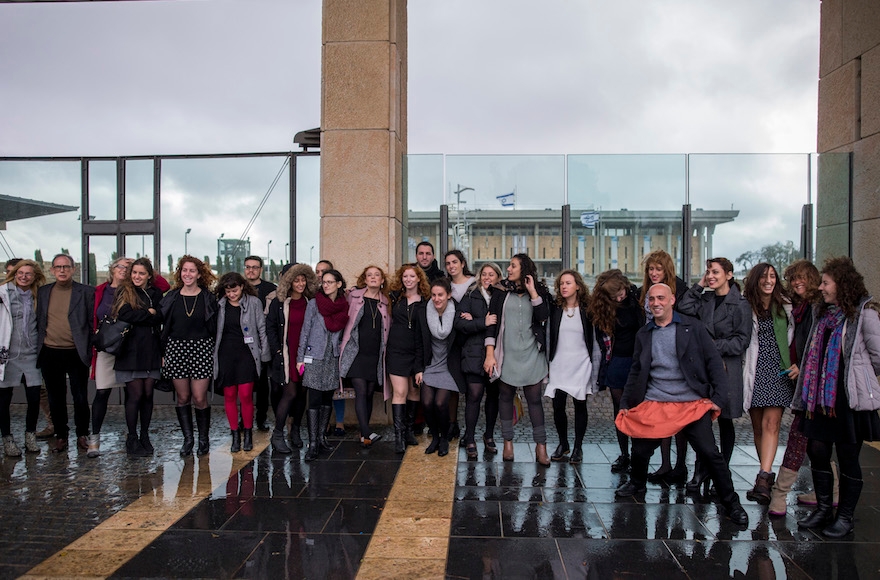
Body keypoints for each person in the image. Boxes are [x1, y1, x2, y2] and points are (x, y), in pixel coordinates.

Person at [613, 283, 749, 526]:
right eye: (652, 299)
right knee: (641, 449)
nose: (656, 303)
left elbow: (714, 362)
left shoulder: (692, 327)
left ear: (672, 300)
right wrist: (626, 402)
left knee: (710, 453)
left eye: (661, 298)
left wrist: (717, 400)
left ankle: (731, 502)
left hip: (691, 403)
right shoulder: (644, 333)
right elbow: (636, 371)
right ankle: (637, 482)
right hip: (657, 401)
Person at [793, 257, 880, 538]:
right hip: (819, 398)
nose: (821, 287)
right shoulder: (822, 313)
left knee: (847, 457)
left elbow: (878, 357)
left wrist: (859, 376)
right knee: (817, 450)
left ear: (841, 285)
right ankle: (823, 509)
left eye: (826, 282)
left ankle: (845, 517)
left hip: (847, 400)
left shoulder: (864, 314)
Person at [677, 257, 751, 492]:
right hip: (705, 368)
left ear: (729, 275)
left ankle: (722, 470)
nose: (711, 276)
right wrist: (700, 284)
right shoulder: (705, 299)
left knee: (725, 420)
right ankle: (701, 469)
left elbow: (742, 340)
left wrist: (711, 346)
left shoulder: (740, 304)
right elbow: (683, 306)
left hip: (727, 368)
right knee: (702, 418)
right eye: (708, 271)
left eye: (716, 272)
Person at [483, 253, 552, 464]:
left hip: (532, 355)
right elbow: (491, 325)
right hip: (507, 355)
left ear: (524, 269)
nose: (509, 269)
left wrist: (532, 291)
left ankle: (541, 447)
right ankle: (508, 444)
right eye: (509, 266)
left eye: (513, 266)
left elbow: (543, 316)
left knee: (534, 401)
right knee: (505, 398)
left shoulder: (539, 292)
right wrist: (490, 354)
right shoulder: (499, 291)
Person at [770, 259, 826, 515]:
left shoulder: (817, 309)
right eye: (793, 278)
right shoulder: (799, 308)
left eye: (802, 277)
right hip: (800, 382)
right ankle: (831, 491)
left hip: (815, 386)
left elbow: (821, 350)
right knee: (815, 439)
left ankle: (779, 496)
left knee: (799, 436)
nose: (796, 282)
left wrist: (802, 368)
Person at [741, 262, 795, 504]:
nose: (768, 280)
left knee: (771, 424)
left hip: (779, 370)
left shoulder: (786, 305)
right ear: (755, 280)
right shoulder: (746, 305)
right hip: (754, 369)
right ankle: (764, 478)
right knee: (758, 428)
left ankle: (764, 476)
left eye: (772, 276)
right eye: (763, 276)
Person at [638, 250, 689, 484]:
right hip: (654, 356)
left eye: (658, 268)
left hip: (676, 358)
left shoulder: (680, 289)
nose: (654, 272)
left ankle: (680, 466)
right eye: (651, 269)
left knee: (679, 415)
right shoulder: (645, 292)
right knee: (662, 414)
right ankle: (665, 463)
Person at [160, 255, 218, 457]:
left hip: (202, 349)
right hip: (176, 349)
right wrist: (162, 353)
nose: (188, 274)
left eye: (192, 270)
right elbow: (164, 327)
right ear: (180, 272)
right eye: (184, 270)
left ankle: (203, 439)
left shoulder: (209, 298)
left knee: (199, 397)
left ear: (199, 274)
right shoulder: (171, 297)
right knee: (183, 396)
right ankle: (188, 440)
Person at [37, 254, 95, 453]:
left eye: (66, 267)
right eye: (58, 267)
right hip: (50, 352)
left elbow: (90, 323)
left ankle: (82, 434)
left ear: (73, 269)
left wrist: (89, 350)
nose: (62, 270)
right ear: (52, 270)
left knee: (80, 397)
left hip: (76, 352)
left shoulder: (86, 292)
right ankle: (61, 436)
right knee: (55, 398)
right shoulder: (43, 292)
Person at [589, 269, 645, 472]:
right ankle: (624, 454)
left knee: (638, 408)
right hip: (617, 361)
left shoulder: (636, 300)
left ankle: (639, 454)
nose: (619, 296)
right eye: (615, 296)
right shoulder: (604, 306)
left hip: (637, 361)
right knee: (620, 409)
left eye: (621, 292)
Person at [213, 272, 270, 453]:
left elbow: (262, 328)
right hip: (225, 354)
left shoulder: (254, 303)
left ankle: (248, 431)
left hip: (247, 354)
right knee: (229, 395)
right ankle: (235, 434)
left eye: (234, 290)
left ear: (242, 287)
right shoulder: (220, 305)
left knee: (245, 395)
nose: (231, 294)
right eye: (228, 291)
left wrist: (264, 354)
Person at [112, 258, 164, 457]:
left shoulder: (156, 293)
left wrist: (147, 314)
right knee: (134, 395)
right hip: (129, 351)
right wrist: (147, 313)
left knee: (148, 395)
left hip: (151, 349)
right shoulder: (124, 291)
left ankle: (144, 435)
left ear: (149, 275)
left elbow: (160, 316)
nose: (137, 276)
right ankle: (132, 437)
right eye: (134, 272)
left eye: (142, 273)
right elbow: (125, 315)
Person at [545, 269, 596, 464]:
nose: (564, 287)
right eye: (561, 284)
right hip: (559, 362)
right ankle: (563, 443)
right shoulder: (556, 308)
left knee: (579, 404)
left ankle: (578, 447)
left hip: (581, 362)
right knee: (558, 404)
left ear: (578, 286)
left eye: (568, 283)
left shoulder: (587, 309)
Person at [297, 268, 348, 460]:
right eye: (323, 282)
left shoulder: (344, 305)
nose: (325, 285)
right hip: (314, 356)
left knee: (328, 398)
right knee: (315, 399)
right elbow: (305, 330)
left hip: (332, 357)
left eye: (329, 282)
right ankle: (313, 443)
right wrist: (300, 358)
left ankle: (321, 437)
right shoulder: (314, 304)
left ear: (338, 284)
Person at [266, 263, 317, 454]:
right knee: (290, 393)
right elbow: (270, 327)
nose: (300, 283)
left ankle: (295, 430)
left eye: (303, 279)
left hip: (306, 354)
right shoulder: (280, 303)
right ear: (289, 281)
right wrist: (277, 350)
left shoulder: (310, 301)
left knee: (302, 394)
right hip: (287, 355)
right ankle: (277, 434)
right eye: (296, 280)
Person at [340, 265, 390, 447]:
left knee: (369, 392)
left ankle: (364, 434)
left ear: (382, 280)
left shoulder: (385, 302)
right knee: (360, 390)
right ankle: (367, 432)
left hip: (374, 355)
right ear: (364, 279)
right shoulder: (353, 296)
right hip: (356, 353)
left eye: (377, 275)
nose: (373, 277)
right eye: (369, 275)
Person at [415, 278, 466, 457]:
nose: (436, 299)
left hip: (449, 366)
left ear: (448, 295)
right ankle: (435, 438)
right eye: (434, 295)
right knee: (427, 402)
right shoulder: (424, 312)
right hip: (430, 365)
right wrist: (419, 369)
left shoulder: (457, 311)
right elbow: (419, 343)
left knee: (440, 403)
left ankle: (444, 438)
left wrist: (469, 319)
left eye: (441, 295)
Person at [456, 262, 502, 458]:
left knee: (493, 397)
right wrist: (481, 322)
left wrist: (473, 320)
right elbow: (459, 323)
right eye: (484, 274)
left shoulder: (502, 297)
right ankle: (470, 436)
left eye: (491, 275)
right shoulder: (470, 294)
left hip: (497, 354)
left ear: (498, 277)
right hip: (474, 354)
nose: (487, 278)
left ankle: (489, 435)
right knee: (474, 396)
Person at [87, 256, 132, 457]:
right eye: (120, 266)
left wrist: (140, 264)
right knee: (102, 392)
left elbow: (162, 284)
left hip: (128, 347)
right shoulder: (100, 291)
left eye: (128, 267)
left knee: (133, 394)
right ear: (112, 269)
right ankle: (94, 439)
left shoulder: (133, 290)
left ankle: (133, 437)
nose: (124, 270)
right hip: (106, 347)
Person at [0, 259, 45, 456]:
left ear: (34, 276)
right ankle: (7, 439)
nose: (24, 277)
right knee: (4, 399)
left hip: (31, 353)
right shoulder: (3, 293)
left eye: (28, 274)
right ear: (14, 274)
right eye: (20, 273)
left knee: (34, 398)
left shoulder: (38, 295)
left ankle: (30, 435)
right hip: (8, 353)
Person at [386, 263, 429, 453]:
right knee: (400, 392)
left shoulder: (426, 301)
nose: (408, 279)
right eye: (405, 277)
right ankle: (398, 437)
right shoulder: (394, 298)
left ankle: (409, 431)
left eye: (412, 276)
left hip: (416, 352)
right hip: (396, 352)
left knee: (414, 392)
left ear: (419, 278)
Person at [444, 249, 475, 443]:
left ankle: (470, 431)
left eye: (455, 262)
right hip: (452, 341)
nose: (451, 266)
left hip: (472, 340)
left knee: (473, 388)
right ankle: (452, 424)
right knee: (452, 384)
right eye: (448, 263)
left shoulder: (474, 284)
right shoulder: (445, 286)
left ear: (463, 263)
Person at [244, 255, 276, 432]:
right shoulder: (238, 287)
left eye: (255, 267)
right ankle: (244, 419)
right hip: (242, 345)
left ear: (261, 270)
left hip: (263, 342)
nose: (251, 270)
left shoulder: (269, 289)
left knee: (263, 384)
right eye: (248, 267)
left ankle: (261, 418)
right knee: (244, 384)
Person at [316, 260, 346, 437]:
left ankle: (340, 422)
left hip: (337, 350)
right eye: (318, 272)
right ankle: (322, 425)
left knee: (337, 389)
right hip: (319, 351)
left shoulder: (344, 301)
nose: (321, 276)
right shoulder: (316, 299)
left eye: (325, 272)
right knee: (319, 391)